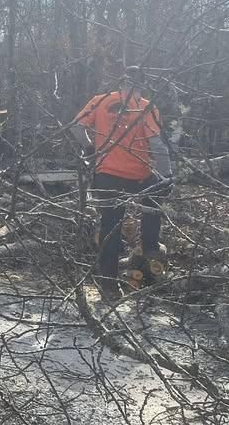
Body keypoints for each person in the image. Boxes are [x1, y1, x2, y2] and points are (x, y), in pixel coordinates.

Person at [71, 66, 172, 296]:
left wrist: (90, 147)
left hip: (106, 174)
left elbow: (77, 128)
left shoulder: (100, 101)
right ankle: (149, 250)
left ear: (121, 83)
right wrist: (167, 176)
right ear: (141, 85)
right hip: (140, 175)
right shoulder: (147, 106)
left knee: (110, 227)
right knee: (154, 204)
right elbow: (157, 145)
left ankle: (109, 284)